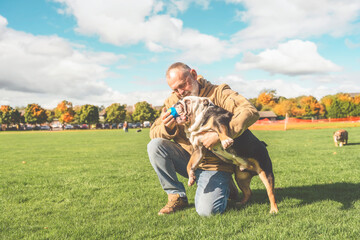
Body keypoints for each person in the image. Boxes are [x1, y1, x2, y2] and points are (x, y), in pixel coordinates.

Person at [147, 62, 259, 216]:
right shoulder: (173, 101)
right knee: (155, 145)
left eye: (183, 85)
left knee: (208, 212)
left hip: (216, 164)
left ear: (193, 74)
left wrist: (220, 135)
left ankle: (226, 185)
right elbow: (153, 133)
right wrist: (168, 127)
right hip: (190, 159)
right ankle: (176, 196)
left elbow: (249, 111)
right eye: (175, 89)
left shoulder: (218, 93)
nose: (180, 92)